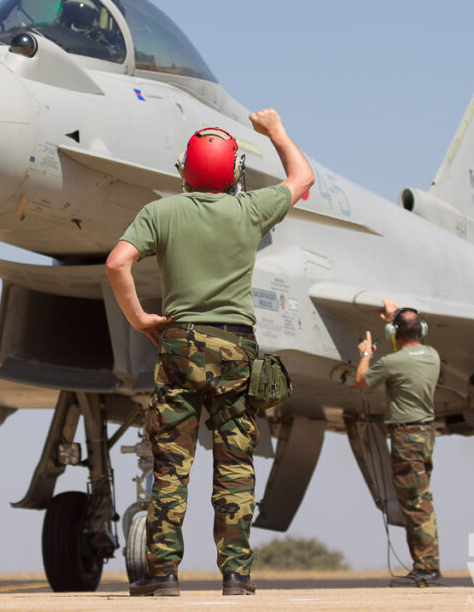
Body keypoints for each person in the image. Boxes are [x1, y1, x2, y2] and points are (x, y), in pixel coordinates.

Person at [106, 109, 314, 597]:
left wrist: (140, 319)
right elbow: (303, 178)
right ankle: (237, 576)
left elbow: (118, 263)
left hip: (179, 342)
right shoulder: (249, 211)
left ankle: (162, 577)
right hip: (236, 347)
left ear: (185, 169)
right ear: (234, 172)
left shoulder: (160, 212)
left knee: (171, 465)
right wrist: (277, 131)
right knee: (236, 463)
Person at [354, 299, 442, 586]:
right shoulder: (431, 356)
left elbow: (362, 380)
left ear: (395, 335)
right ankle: (426, 565)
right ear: (423, 331)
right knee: (419, 497)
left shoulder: (392, 362)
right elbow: (403, 348)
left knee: (416, 502)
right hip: (425, 435)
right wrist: (394, 319)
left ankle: (427, 567)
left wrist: (366, 353)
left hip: (406, 438)